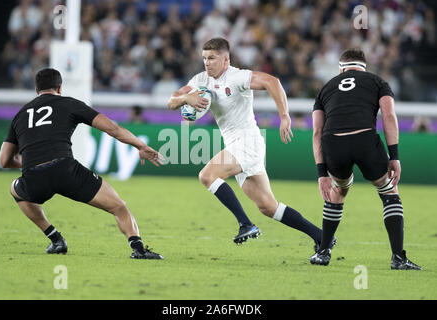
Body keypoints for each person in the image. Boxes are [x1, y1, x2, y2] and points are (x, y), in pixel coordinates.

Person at [167, 38, 329, 251]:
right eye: (204, 58)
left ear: (225, 59)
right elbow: (171, 101)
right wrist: (186, 98)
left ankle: (246, 224)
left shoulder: (237, 77)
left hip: (248, 142)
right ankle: (321, 237)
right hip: (238, 145)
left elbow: (273, 82)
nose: (207, 62)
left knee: (207, 175)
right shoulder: (200, 80)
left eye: (212, 58)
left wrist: (284, 116)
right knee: (268, 207)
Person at [0, 68, 164, 259]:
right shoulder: (69, 104)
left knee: (15, 189)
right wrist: (140, 145)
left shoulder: (20, 114)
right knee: (119, 207)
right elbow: (113, 129)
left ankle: (56, 239)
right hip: (66, 170)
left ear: (36, 89)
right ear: (59, 87)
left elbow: (4, 160)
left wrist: (31, 161)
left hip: (34, 176)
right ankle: (139, 249)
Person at [310, 48, 421, 270]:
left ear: (341, 68)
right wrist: (395, 156)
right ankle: (398, 258)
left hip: (334, 142)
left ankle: (323, 253)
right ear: (364, 66)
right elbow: (389, 116)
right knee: (388, 191)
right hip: (364, 139)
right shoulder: (377, 81)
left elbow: (316, 132)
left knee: (338, 190)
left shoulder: (326, 88)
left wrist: (322, 173)